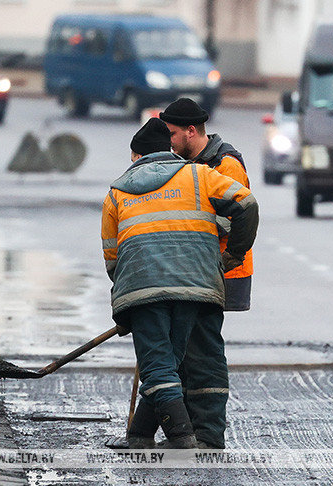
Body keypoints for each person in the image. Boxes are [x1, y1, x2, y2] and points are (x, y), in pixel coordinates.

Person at [101, 118, 258, 448]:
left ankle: (181, 434)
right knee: (176, 361)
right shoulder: (201, 175)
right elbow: (245, 204)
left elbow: (112, 257)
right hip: (197, 285)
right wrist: (232, 255)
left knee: (158, 366)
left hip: (143, 289)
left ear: (135, 156)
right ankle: (142, 435)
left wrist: (129, 294)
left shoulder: (116, 193)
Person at [159, 98, 253, 448]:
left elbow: (233, 217)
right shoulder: (189, 163)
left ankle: (208, 434)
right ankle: (190, 432)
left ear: (191, 131)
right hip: (196, 271)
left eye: (172, 134)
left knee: (203, 350)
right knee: (186, 349)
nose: (168, 141)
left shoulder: (225, 163)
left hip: (221, 271)